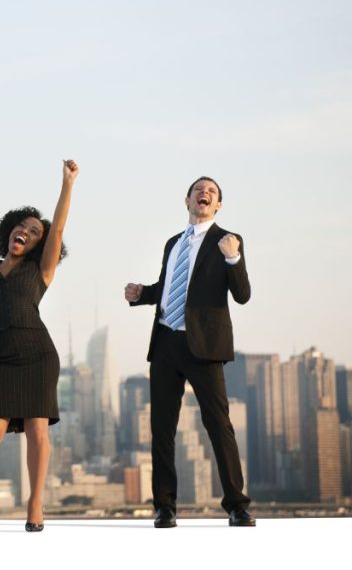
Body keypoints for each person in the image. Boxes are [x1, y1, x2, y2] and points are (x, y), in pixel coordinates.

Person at [124, 176, 254, 528]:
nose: (205, 194)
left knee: (218, 424)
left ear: (218, 206)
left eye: (212, 192)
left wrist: (234, 258)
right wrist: (142, 294)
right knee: (162, 429)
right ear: (187, 200)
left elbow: (242, 294)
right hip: (166, 341)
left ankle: (237, 505)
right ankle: (164, 506)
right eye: (199, 190)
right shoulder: (173, 243)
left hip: (204, 346)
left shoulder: (227, 241)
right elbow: (170, 288)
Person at [0, 160, 78, 533]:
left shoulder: (40, 271)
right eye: (22, 226)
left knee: (37, 431)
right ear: (10, 230)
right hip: (0, 360)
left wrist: (67, 183)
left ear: (37, 243)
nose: (26, 232)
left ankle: (34, 502)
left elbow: (58, 227)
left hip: (38, 356)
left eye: (34, 232)